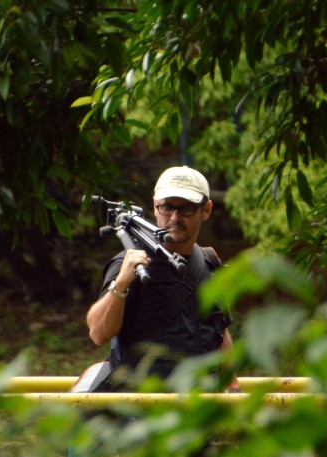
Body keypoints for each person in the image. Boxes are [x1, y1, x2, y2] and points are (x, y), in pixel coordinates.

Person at [85, 165, 233, 389]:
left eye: (186, 209)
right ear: (155, 206)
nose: (175, 217)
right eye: (166, 207)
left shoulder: (209, 264)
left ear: (207, 209)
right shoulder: (131, 263)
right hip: (140, 410)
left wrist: (232, 385)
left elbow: (220, 333)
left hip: (199, 409)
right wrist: (123, 281)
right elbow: (98, 333)